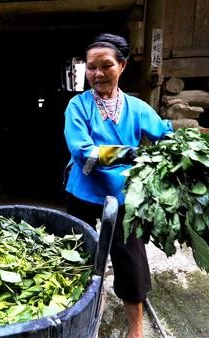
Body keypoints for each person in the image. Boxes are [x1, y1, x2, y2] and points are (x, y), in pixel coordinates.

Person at [63, 33, 173, 338]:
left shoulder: (137, 108)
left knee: (131, 263)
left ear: (121, 66)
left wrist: (180, 150)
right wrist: (131, 153)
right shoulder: (78, 106)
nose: (97, 73)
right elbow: (82, 149)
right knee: (76, 254)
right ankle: (77, 316)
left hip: (126, 197)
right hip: (83, 191)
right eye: (91, 67)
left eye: (106, 65)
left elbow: (165, 136)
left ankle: (135, 330)